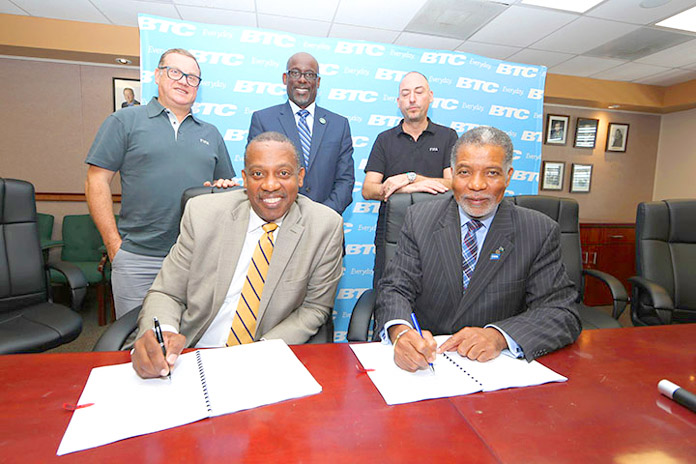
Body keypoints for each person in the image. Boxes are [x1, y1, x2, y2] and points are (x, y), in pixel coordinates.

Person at [131, 132, 344, 379]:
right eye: (257, 174)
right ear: (244, 179)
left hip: (262, 361)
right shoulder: (203, 213)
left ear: (300, 177)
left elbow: (315, 308)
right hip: (189, 356)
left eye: (283, 174)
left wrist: (259, 353)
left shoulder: (325, 226)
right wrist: (164, 335)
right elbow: (167, 292)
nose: (270, 185)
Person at [374, 126, 581, 372]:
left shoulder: (538, 230)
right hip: (430, 364)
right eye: (464, 172)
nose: (476, 184)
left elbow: (561, 311)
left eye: (491, 173)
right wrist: (401, 333)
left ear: (508, 176)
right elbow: (395, 288)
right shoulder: (419, 219)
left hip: (497, 368)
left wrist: (499, 336)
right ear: (452, 175)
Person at [85, 48, 236, 319]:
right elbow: (97, 181)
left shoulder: (211, 133)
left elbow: (224, 188)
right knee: (136, 344)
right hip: (138, 259)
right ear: (157, 75)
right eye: (175, 72)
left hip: (196, 261)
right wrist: (113, 246)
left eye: (192, 78)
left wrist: (224, 188)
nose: (183, 81)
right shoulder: (124, 121)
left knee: (190, 341)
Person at [362, 71, 458, 286]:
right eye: (405, 94)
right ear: (398, 102)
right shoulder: (385, 139)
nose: (412, 99)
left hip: (438, 230)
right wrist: (402, 190)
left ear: (430, 96)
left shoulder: (448, 136)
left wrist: (409, 179)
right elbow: (368, 190)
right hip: (392, 232)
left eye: (418, 92)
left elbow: (454, 184)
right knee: (387, 291)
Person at [247, 52, 355, 215]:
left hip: (325, 226)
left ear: (318, 82)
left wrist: (320, 218)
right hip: (277, 223)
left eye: (309, 75)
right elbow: (257, 175)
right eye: (295, 73)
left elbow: (345, 181)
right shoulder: (263, 120)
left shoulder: (339, 125)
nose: (302, 80)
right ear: (285, 78)